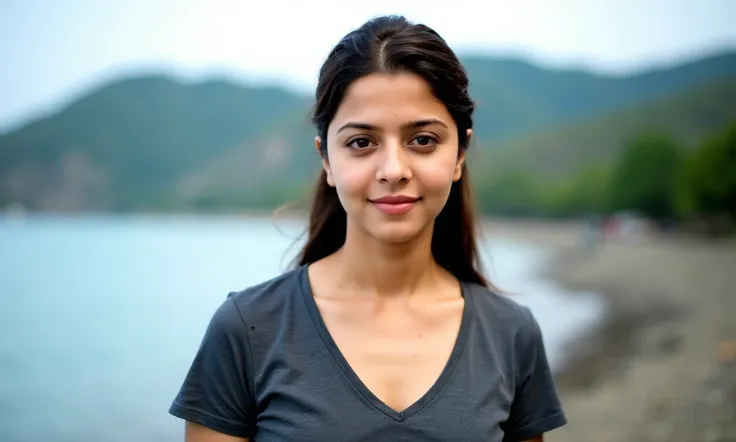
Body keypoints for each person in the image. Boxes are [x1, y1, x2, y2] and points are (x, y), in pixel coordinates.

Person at [169, 15, 567, 442]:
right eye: (361, 143)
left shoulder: (510, 333)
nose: (393, 170)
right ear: (326, 159)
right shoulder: (247, 330)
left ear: (459, 154)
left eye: (423, 140)